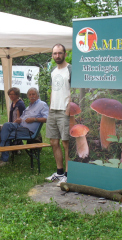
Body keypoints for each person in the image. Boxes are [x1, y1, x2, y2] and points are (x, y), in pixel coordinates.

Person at [0, 87, 49, 167]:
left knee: (6, 135)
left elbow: (47, 119)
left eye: (33, 94)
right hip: (20, 126)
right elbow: (22, 117)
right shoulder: (29, 107)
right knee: (6, 125)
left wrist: (34, 119)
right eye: (29, 95)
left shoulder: (42, 104)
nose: (31, 96)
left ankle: (4, 157)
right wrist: (19, 120)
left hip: (28, 131)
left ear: (37, 95)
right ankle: (2, 147)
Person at [45, 43, 72, 186]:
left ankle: (68, 174)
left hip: (64, 110)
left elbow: (74, 90)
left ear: (65, 54)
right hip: (53, 110)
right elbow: (53, 90)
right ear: (52, 55)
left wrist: (69, 107)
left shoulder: (70, 69)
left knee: (66, 142)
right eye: (55, 53)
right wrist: (50, 107)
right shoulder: (53, 71)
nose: (57, 56)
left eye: (60, 53)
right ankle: (59, 172)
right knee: (53, 142)